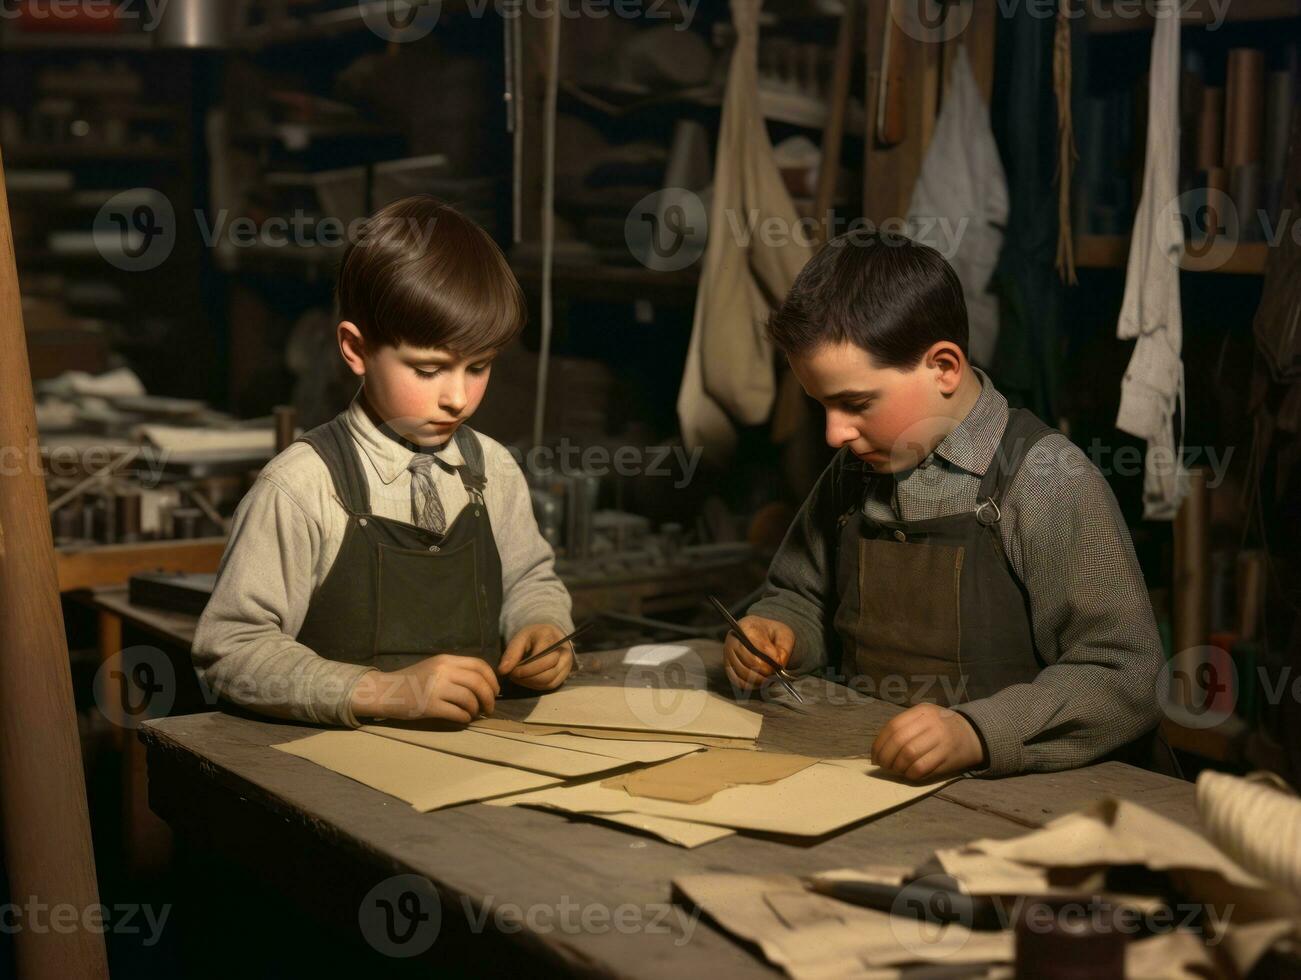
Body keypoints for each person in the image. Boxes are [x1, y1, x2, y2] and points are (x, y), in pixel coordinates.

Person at [725, 232, 1167, 781]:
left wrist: (978, 732)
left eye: (855, 403)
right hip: (870, 776)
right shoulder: (856, 469)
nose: (835, 432)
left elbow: (1126, 673)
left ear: (943, 368)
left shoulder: (1043, 478)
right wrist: (778, 631)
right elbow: (802, 594)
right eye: (821, 406)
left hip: (1026, 801)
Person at [194, 196, 574, 728]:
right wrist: (380, 691)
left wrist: (542, 624)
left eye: (479, 367)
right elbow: (230, 651)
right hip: (336, 774)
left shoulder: (492, 471)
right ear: (355, 348)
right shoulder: (302, 486)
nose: (458, 398)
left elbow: (530, 580)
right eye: (428, 370)